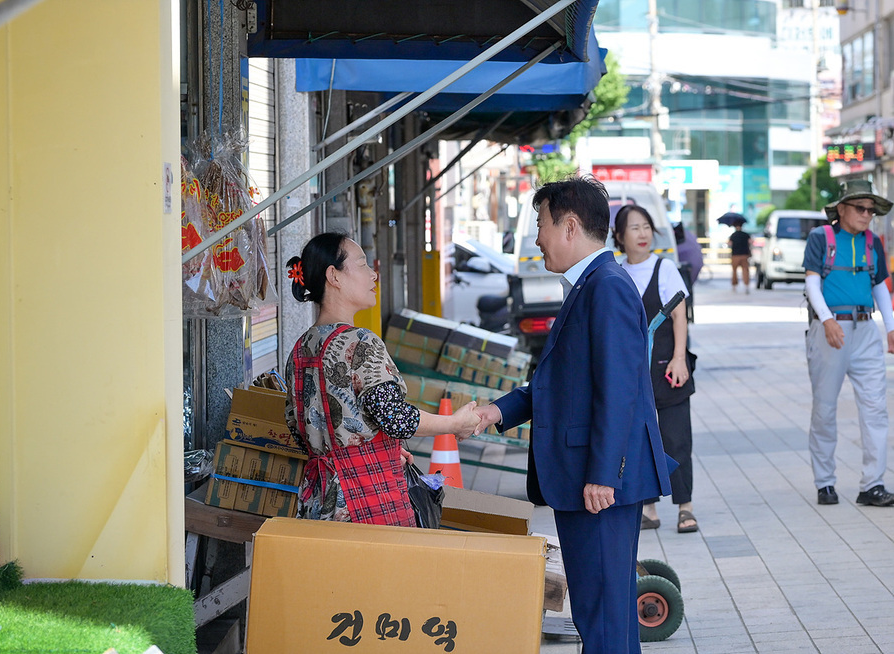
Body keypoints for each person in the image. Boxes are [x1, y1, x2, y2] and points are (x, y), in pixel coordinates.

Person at [475, 176, 672, 654]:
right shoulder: (589, 284)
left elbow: (619, 391)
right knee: (605, 612)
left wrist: (603, 475)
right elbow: (559, 384)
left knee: (601, 614)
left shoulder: (606, 287)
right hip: (589, 477)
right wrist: (493, 412)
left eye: (540, 224)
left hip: (597, 483)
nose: (537, 238)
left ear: (569, 226)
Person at [284, 233, 480, 525]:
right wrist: (454, 424)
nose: (373, 274)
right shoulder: (359, 341)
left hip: (318, 504)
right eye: (362, 264)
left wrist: (376, 450)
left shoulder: (300, 348)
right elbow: (396, 419)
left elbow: (300, 429)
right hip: (368, 503)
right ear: (334, 276)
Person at [803, 180, 894, 507]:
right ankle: (825, 483)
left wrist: (890, 327)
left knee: (876, 408)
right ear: (841, 209)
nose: (867, 215)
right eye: (861, 208)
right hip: (831, 331)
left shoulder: (872, 242)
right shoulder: (821, 238)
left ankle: (873, 485)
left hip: (866, 330)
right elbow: (812, 283)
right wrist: (827, 320)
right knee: (825, 408)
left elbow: (879, 285)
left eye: (871, 210)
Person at [614, 205, 698, 533]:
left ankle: (685, 506)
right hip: (632, 374)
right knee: (639, 440)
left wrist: (679, 358)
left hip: (666, 368)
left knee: (676, 439)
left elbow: (679, 315)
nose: (643, 234)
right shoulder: (616, 273)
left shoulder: (665, 268)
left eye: (647, 226)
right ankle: (647, 508)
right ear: (619, 236)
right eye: (634, 227)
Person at [728, 222, 752, 292]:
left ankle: (734, 285)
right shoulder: (746, 235)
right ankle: (746, 285)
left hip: (735, 255)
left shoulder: (733, 235)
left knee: (734, 271)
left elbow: (729, 243)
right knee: (745, 270)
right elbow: (751, 242)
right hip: (744, 255)